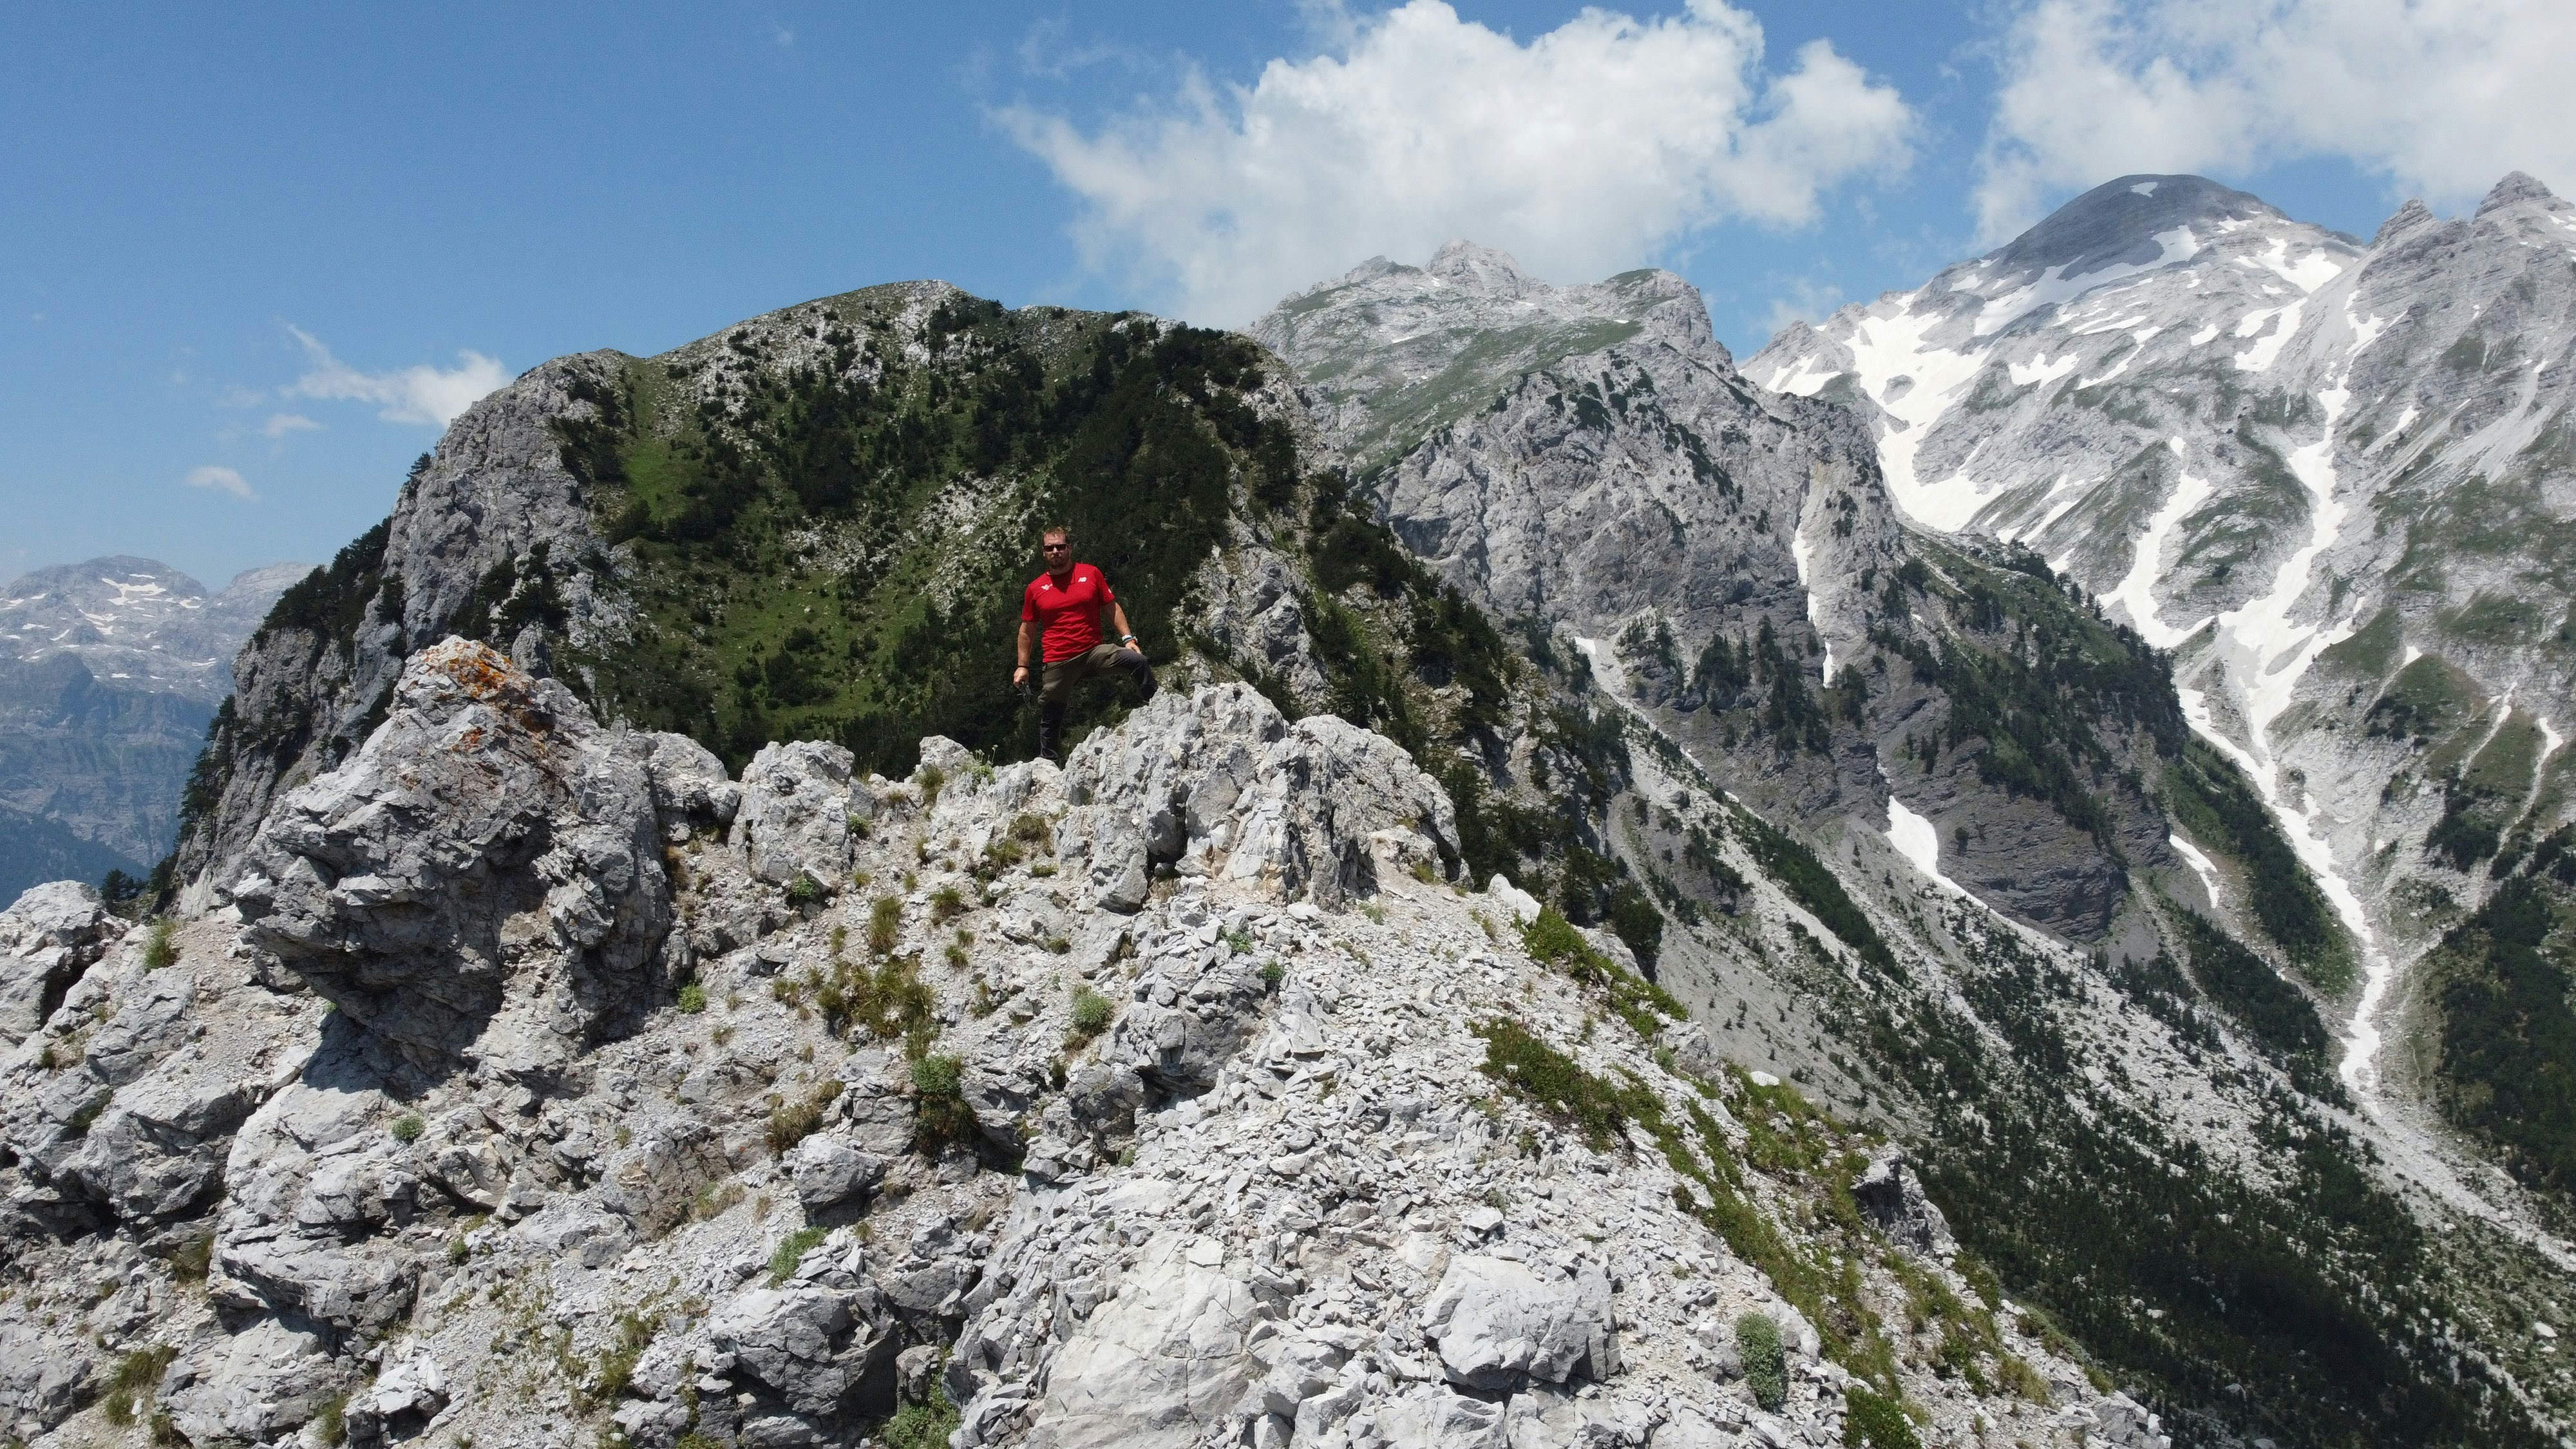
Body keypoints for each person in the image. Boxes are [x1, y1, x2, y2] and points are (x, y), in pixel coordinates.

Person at [1014, 525, 1155, 764]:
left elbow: (1111, 607)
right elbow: (1028, 629)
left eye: (1060, 546)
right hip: (1059, 659)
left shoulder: (1091, 574)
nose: (1056, 551)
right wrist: (1022, 666)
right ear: (1043, 553)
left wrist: (1128, 639)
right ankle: (1048, 763)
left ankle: (1158, 709)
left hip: (1094, 651)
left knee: (1137, 662)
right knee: (1051, 710)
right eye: (1050, 548)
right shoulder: (1035, 589)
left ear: (1070, 548)